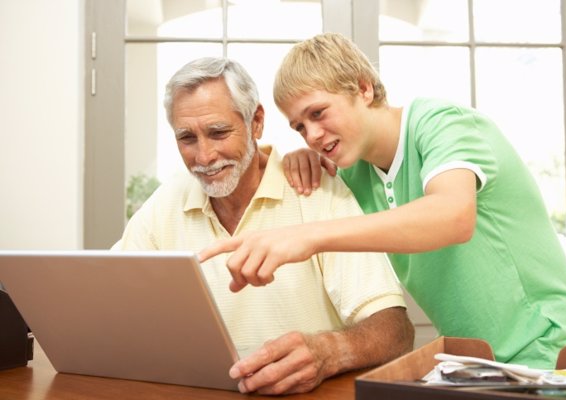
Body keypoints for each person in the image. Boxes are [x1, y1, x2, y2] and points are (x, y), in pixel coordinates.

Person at [199, 33, 566, 369]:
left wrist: (308, 235)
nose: (312, 134)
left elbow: (452, 216)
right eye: (300, 127)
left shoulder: (441, 123)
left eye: (318, 113)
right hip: (471, 358)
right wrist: (296, 156)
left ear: (364, 88)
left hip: (543, 346)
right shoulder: (353, 172)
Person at [113, 56, 414, 395]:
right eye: (187, 138)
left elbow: (395, 330)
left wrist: (328, 352)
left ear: (256, 122)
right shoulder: (166, 202)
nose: (204, 156)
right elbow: (108, 298)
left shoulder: (317, 191)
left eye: (218, 132)